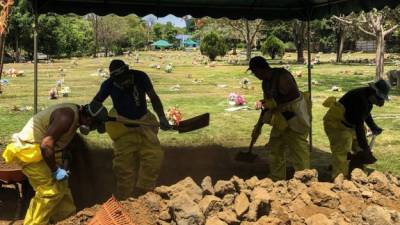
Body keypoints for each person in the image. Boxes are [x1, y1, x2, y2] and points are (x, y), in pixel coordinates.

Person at [2, 102, 108, 225]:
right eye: (93, 125)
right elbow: (46, 144)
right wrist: (55, 170)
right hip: (30, 151)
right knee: (49, 192)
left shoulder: (76, 116)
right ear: (89, 118)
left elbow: (58, 140)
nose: (92, 129)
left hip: (43, 152)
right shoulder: (66, 117)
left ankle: (67, 220)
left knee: (62, 189)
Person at [92, 59, 171, 199]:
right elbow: (95, 103)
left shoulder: (141, 77)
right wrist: (98, 120)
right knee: (123, 167)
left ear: (128, 71)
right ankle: (125, 198)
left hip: (144, 122)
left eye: (124, 78)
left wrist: (162, 117)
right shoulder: (109, 84)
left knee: (154, 157)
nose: (123, 82)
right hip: (122, 128)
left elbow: (153, 98)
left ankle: (144, 192)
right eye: (119, 81)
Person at [248, 56, 310, 181]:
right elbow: (268, 104)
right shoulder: (265, 82)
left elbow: (290, 95)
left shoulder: (283, 76)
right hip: (280, 116)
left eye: (255, 72)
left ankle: (305, 179)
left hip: (294, 113)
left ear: (261, 69)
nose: (255, 75)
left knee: (298, 148)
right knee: (275, 146)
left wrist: (271, 103)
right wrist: (258, 126)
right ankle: (277, 178)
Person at [323, 79, 390, 179]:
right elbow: (359, 127)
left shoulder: (367, 98)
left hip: (350, 123)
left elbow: (366, 114)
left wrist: (373, 127)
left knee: (359, 149)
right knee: (342, 150)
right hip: (336, 123)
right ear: (374, 93)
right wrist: (366, 148)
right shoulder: (360, 99)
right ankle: (339, 179)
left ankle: (358, 176)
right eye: (380, 99)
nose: (380, 102)